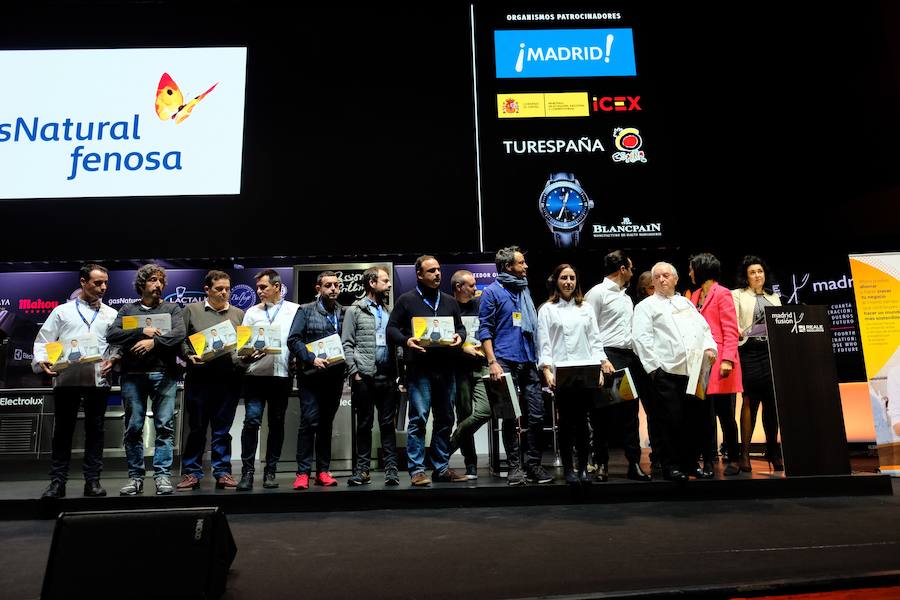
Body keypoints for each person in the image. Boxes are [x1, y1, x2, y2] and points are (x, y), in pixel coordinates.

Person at [33, 264, 119, 499]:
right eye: (97, 283)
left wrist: (114, 360)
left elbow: (115, 345)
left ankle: (92, 481)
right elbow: (43, 341)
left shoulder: (111, 314)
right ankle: (57, 483)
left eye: (105, 284)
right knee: (63, 431)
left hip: (98, 379)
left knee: (96, 431)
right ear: (83, 282)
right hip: (67, 378)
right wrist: (43, 361)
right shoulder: (62, 311)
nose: (102, 288)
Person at [387, 255, 468, 486]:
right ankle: (417, 471)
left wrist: (458, 337)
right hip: (419, 370)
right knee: (419, 419)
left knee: (445, 419)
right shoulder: (406, 300)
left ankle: (441, 468)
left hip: (446, 368)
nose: (437, 274)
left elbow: (461, 328)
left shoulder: (449, 301)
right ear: (419, 275)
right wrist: (406, 341)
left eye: (439, 270)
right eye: (431, 271)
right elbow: (391, 328)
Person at [632, 262, 717, 482]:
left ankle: (690, 464)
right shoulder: (645, 306)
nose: (661, 279)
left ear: (675, 279)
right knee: (670, 422)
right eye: (657, 276)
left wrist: (710, 348)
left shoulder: (685, 303)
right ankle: (670, 466)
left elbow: (703, 328)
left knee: (691, 420)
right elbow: (641, 339)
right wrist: (655, 370)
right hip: (666, 372)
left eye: (666, 275)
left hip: (691, 371)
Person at [106, 264, 186, 495]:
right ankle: (135, 477)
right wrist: (142, 331)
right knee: (133, 427)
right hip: (132, 376)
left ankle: (162, 477)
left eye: (161, 281)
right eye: (153, 280)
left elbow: (178, 334)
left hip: (164, 375)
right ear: (142, 284)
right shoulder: (128, 309)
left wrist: (154, 342)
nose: (158, 285)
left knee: (164, 427)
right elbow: (112, 335)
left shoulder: (172, 309)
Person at [479, 246, 550, 485]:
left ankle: (533, 464)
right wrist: (492, 362)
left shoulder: (524, 290)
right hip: (505, 359)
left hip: (529, 359)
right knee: (509, 417)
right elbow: (485, 330)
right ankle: (514, 468)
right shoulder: (491, 292)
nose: (526, 266)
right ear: (508, 267)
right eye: (521, 263)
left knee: (538, 415)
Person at [583, 250, 653, 482]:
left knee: (630, 413)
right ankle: (601, 463)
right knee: (601, 414)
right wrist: (601, 359)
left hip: (628, 357)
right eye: (630, 268)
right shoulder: (597, 293)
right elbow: (589, 330)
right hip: (606, 356)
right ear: (622, 269)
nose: (632, 272)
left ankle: (634, 463)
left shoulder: (626, 297)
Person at [176, 270, 245, 492]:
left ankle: (222, 472)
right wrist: (188, 355)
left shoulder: (238, 314)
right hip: (199, 380)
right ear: (207, 289)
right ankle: (191, 473)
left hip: (228, 381)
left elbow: (243, 345)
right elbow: (180, 340)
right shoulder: (191, 310)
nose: (224, 293)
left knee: (222, 430)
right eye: (219, 289)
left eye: (227, 289)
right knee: (196, 429)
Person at [538, 264, 606, 485]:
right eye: (564, 278)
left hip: (586, 368)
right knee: (566, 423)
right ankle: (569, 469)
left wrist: (600, 366)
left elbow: (595, 339)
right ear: (556, 281)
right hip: (562, 371)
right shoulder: (547, 309)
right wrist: (547, 369)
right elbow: (544, 343)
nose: (568, 282)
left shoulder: (585, 307)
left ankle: (584, 468)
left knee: (584, 423)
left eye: (572, 278)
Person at [236, 269, 300, 491]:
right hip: (255, 375)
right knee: (252, 421)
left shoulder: (294, 310)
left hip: (281, 377)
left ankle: (270, 471)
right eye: (258, 287)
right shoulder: (251, 312)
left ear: (277, 287)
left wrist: (296, 358)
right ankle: (247, 472)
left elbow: (298, 339)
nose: (259, 291)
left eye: (263, 287)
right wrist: (247, 354)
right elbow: (241, 348)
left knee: (276, 424)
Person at [342, 266, 400, 486]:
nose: (389, 284)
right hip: (364, 377)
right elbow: (346, 343)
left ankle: (391, 470)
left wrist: (399, 373)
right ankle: (362, 470)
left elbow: (395, 344)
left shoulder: (388, 311)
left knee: (387, 425)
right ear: (371, 283)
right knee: (364, 424)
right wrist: (354, 372)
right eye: (385, 280)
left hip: (387, 376)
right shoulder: (354, 310)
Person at [287, 271, 346, 489]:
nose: (333, 289)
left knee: (325, 425)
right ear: (318, 289)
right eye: (328, 285)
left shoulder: (343, 312)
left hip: (335, 376)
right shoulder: (305, 310)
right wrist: (311, 359)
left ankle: (322, 471)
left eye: (336, 285)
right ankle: (302, 473)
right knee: (309, 421)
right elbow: (293, 340)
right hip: (311, 377)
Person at [689, 253, 743, 477]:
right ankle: (709, 460)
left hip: (721, 361)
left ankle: (734, 458)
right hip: (702, 362)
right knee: (705, 414)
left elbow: (730, 328)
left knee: (725, 414)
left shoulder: (723, 293)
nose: (690, 273)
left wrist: (728, 359)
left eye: (692, 269)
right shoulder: (694, 296)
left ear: (701, 269)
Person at [732, 255, 784, 471]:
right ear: (746, 276)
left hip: (770, 353)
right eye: (752, 272)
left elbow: (781, 321)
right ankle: (744, 455)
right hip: (748, 353)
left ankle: (773, 452)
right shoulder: (737, 295)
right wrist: (740, 330)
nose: (757, 275)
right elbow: (732, 322)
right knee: (749, 402)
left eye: (760, 271)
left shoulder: (774, 297)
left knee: (772, 404)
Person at [448, 269, 491, 480]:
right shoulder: (448, 307)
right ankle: (471, 463)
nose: (476, 289)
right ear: (459, 287)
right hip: (459, 368)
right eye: (472, 285)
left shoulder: (481, 305)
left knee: (485, 410)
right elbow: (443, 338)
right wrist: (462, 347)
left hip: (482, 365)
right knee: (464, 414)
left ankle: (451, 443)